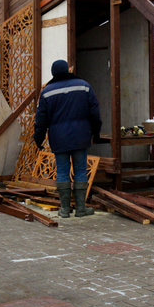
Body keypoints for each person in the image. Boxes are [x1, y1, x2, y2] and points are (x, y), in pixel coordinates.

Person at [33, 59, 102, 218]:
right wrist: (96, 132)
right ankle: (81, 209)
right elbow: (95, 112)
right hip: (80, 136)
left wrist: (38, 139)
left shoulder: (47, 91)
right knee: (80, 170)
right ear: (67, 70)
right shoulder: (84, 86)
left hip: (59, 138)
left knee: (62, 170)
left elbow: (40, 120)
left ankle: (64, 209)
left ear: (53, 73)